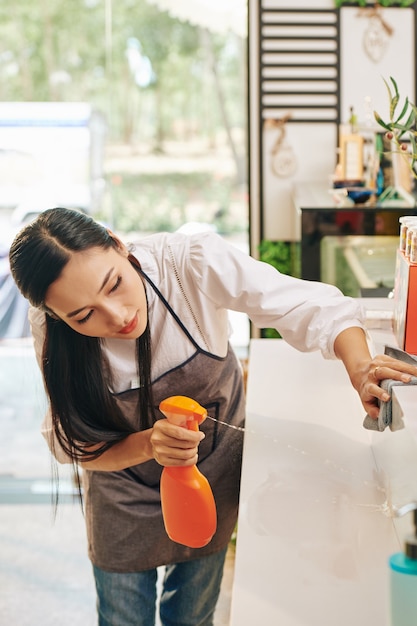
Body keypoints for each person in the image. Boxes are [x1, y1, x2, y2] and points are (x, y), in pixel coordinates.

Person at [8, 207, 417, 626]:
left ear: (117, 243)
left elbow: (309, 307)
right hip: (123, 492)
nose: (117, 316)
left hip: (210, 480)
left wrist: (361, 366)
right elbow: (78, 444)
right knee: (122, 617)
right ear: (59, 317)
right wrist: (150, 443)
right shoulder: (53, 330)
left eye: (114, 284)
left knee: (192, 616)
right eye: (83, 316)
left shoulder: (188, 265)